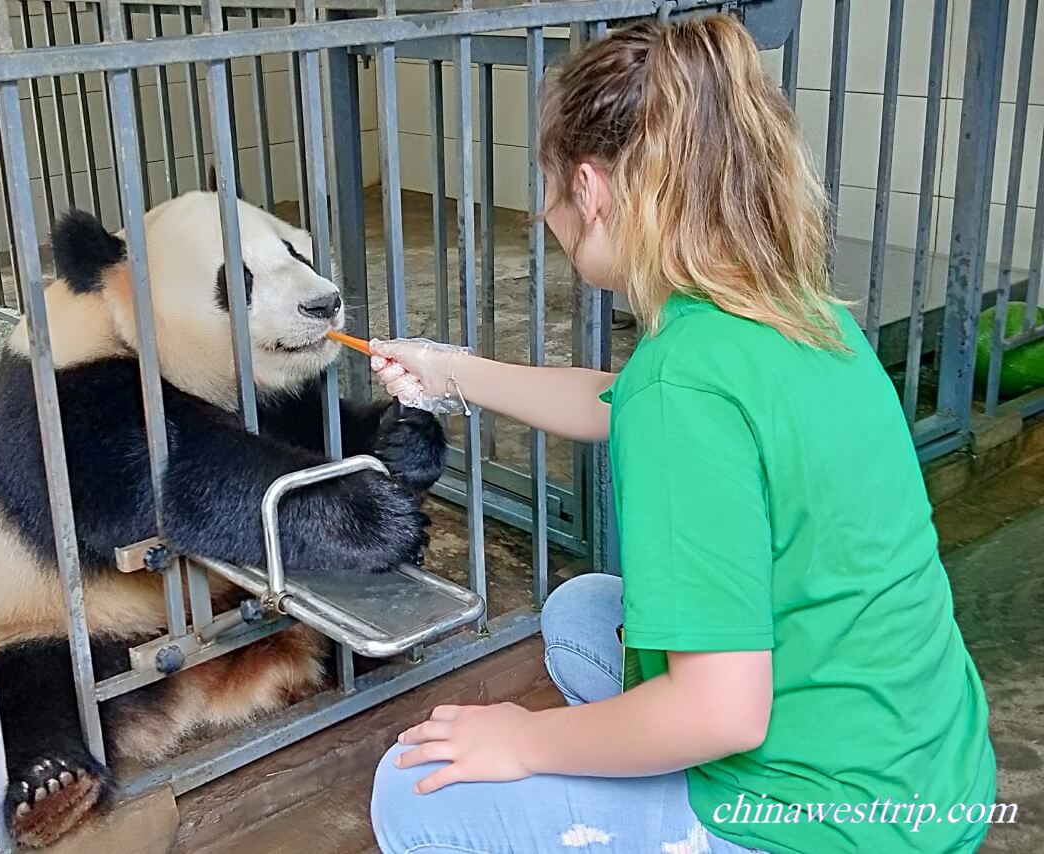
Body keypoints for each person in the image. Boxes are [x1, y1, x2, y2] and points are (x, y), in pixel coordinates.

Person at [367, 13, 996, 854]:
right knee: (584, 614)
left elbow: (722, 711)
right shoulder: (796, 312)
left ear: (590, 189)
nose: (543, 213)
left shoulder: (681, 387)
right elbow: (616, 400)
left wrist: (520, 740)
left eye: (548, 185)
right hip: (933, 775)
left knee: (412, 793)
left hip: (832, 822)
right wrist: (453, 371)